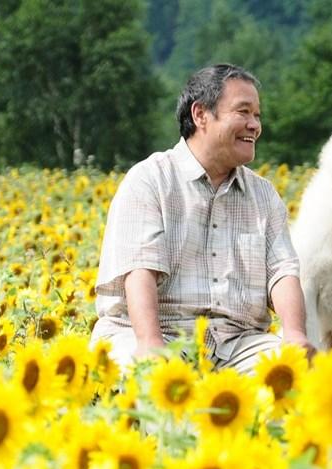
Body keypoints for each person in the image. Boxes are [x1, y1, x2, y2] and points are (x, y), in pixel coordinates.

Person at [90, 63, 314, 372]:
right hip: (154, 333)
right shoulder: (150, 180)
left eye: (257, 115)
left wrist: (294, 335)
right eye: (243, 112)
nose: (255, 125)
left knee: (297, 374)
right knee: (147, 380)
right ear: (200, 115)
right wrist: (150, 344)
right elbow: (140, 270)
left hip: (238, 343)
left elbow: (282, 272)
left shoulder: (263, 195)